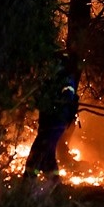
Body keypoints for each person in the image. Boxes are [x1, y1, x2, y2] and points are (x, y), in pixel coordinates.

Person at [24, 51, 79, 183]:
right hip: (47, 122)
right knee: (48, 156)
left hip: (56, 123)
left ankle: (27, 182)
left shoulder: (66, 79)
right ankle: (55, 185)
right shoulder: (50, 79)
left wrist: (55, 100)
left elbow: (68, 95)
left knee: (38, 151)